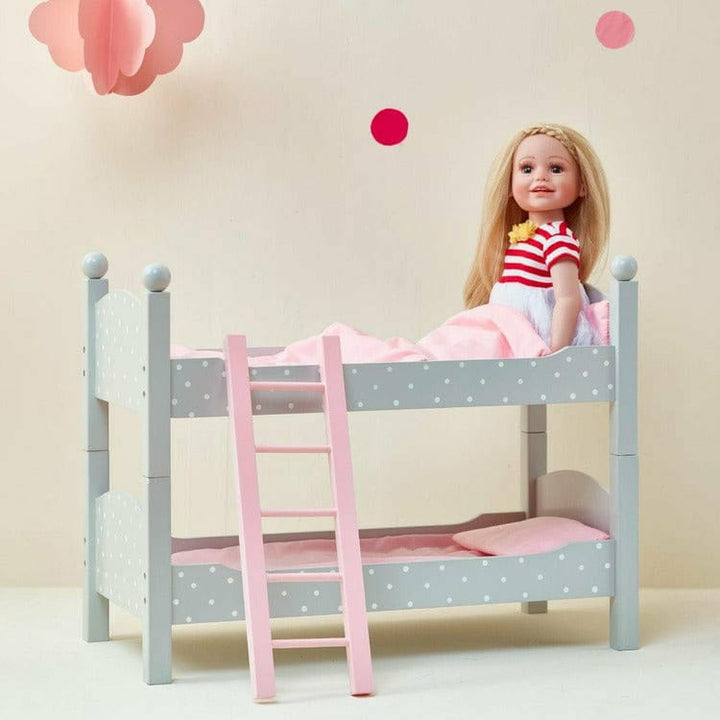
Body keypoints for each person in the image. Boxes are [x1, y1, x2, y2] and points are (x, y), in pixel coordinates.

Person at [463, 124, 610, 352]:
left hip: (537, 337)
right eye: (527, 169)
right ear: (509, 185)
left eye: (556, 169)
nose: (540, 176)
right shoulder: (522, 235)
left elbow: (568, 299)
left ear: (582, 186)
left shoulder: (558, 238)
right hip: (510, 334)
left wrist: (556, 351)